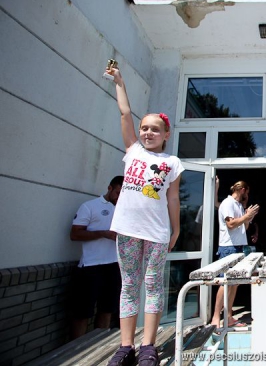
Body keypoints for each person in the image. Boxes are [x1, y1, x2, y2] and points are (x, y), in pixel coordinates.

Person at [104, 64, 184, 366]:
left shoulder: (172, 162)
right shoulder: (133, 151)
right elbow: (125, 113)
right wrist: (119, 82)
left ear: (166, 134)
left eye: (155, 129)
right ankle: (125, 346)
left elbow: (173, 198)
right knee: (129, 285)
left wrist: (176, 229)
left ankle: (148, 346)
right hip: (127, 229)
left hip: (157, 232)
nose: (148, 132)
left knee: (152, 285)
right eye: (145, 128)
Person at [69, 175, 123, 340]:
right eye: (118, 193)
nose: (119, 197)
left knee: (107, 309)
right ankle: (76, 348)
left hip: (114, 265)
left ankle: (100, 344)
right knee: (82, 312)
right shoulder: (90, 206)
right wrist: (103, 234)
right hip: (90, 266)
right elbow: (74, 234)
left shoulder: (124, 211)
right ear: (109, 188)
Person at [210, 181, 259, 329]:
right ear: (243, 190)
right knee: (224, 283)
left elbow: (244, 227)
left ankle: (228, 316)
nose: (248, 196)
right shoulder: (228, 203)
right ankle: (215, 318)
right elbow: (230, 224)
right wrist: (246, 216)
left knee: (234, 283)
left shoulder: (239, 206)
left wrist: (248, 217)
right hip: (228, 248)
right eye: (247, 193)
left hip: (240, 246)